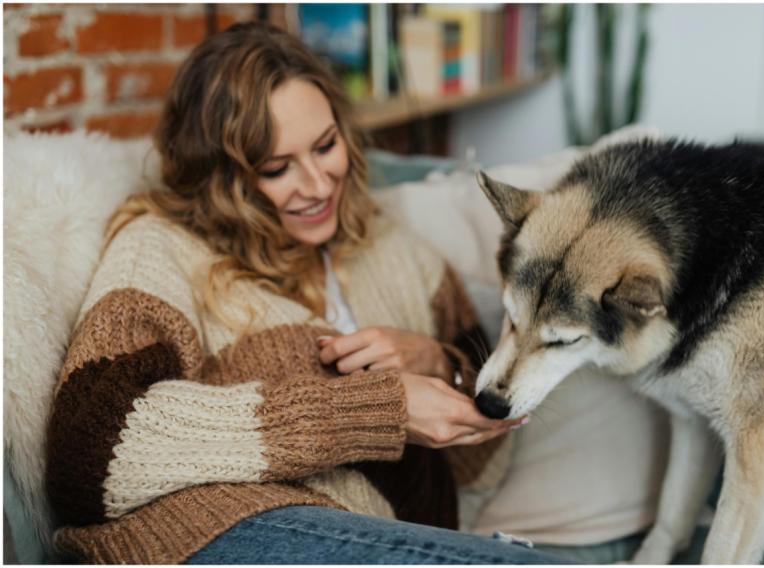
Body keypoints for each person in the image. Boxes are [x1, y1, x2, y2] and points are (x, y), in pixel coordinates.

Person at [43, 21, 567, 564]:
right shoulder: (164, 245)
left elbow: (483, 462)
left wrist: (438, 363)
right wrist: (374, 410)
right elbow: (89, 451)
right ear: (222, 179)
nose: (317, 185)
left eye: (325, 145)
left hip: (362, 535)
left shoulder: (398, 252)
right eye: (276, 168)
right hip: (213, 532)